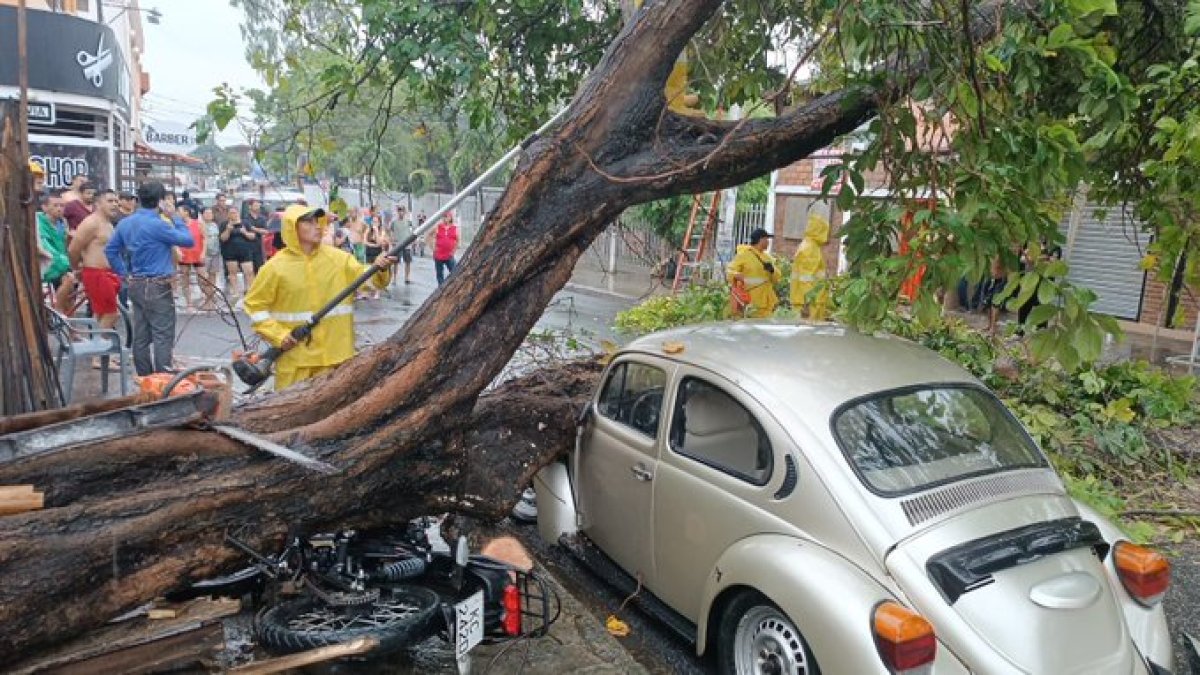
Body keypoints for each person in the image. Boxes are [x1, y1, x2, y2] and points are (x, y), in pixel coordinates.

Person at [243, 205, 396, 390]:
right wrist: (279, 335)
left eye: (318, 221)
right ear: (293, 227)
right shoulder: (274, 268)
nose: (317, 226)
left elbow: (371, 282)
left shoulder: (339, 260)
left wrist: (380, 268)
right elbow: (254, 307)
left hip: (336, 359)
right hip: (296, 362)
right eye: (309, 222)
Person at [105, 181, 195, 376]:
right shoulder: (158, 224)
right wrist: (175, 217)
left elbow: (111, 250)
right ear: (161, 201)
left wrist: (123, 273)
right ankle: (162, 379)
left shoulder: (125, 222)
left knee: (142, 334)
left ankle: (145, 378)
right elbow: (188, 240)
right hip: (157, 284)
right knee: (163, 334)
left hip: (136, 282)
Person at [68, 190, 123, 334]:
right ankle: (98, 352)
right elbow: (74, 248)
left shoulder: (108, 224)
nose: (115, 204)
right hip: (96, 273)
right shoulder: (91, 223)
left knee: (101, 313)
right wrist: (76, 268)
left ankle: (100, 354)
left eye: (116, 201)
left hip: (108, 273)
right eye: (110, 201)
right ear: (98, 203)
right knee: (112, 313)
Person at [727, 228, 782, 318]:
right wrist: (736, 275)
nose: (768, 242)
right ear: (760, 240)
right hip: (751, 300)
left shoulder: (767, 257)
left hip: (767, 301)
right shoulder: (744, 255)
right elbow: (729, 271)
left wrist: (772, 270)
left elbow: (777, 279)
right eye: (766, 239)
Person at [37, 191, 75, 315]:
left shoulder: (62, 223)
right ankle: (57, 313)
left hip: (61, 261)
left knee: (71, 301)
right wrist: (65, 262)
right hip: (47, 262)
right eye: (55, 205)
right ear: (45, 207)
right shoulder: (40, 222)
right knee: (68, 279)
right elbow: (45, 247)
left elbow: (64, 246)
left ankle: (71, 331)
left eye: (62, 206)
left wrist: (69, 239)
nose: (59, 209)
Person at [789, 214, 831, 320]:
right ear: (819, 230)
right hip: (811, 303)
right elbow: (806, 279)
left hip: (811, 300)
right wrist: (807, 301)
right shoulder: (810, 249)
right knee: (810, 333)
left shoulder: (810, 246)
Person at [219, 207, 257, 299]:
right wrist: (228, 230)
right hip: (230, 252)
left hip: (245, 251)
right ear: (228, 214)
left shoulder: (245, 223)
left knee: (249, 272)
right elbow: (223, 238)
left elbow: (253, 236)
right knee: (232, 273)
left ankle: (249, 291)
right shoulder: (224, 224)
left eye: (235, 213)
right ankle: (235, 292)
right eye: (231, 213)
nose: (233, 215)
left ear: (238, 213)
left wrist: (245, 232)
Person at [175, 205, 207, 312]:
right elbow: (174, 239)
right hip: (184, 254)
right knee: (185, 278)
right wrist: (177, 250)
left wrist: (203, 252)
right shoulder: (177, 225)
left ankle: (206, 298)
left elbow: (205, 238)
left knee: (202, 277)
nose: (177, 213)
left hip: (197, 253)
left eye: (179, 211)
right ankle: (189, 302)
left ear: (186, 212)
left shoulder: (198, 223)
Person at [200, 207, 222, 311]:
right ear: (202, 214)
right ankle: (207, 299)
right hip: (205, 254)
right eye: (206, 213)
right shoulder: (200, 225)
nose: (209, 215)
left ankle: (211, 298)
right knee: (204, 278)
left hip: (215, 254)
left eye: (210, 213)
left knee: (213, 276)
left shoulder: (215, 225)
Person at [243, 198, 270, 271]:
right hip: (248, 247)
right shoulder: (245, 218)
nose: (257, 207)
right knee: (250, 270)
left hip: (259, 247)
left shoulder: (262, 218)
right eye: (255, 205)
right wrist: (259, 230)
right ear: (250, 206)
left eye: (258, 205)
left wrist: (254, 229)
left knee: (260, 269)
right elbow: (246, 230)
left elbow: (266, 231)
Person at [433, 212, 459, 286]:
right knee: (439, 274)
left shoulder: (454, 228)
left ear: (451, 218)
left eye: (447, 216)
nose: (445, 218)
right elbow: (429, 235)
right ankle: (440, 289)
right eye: (444, 217)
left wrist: (453, 251)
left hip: (449, 255)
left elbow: (458, 240)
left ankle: (452, 287)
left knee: (454, 272)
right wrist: (433, 247)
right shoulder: (438, 227)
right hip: (438, 255)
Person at [390, 206, 414, 284]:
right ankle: (394, 278)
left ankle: (407, 278)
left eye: (402, 211)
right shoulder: (394, 222)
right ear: (397, 212)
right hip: (397, 244)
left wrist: (412, 241)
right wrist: (392, 240)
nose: (401, 212)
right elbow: (391, 231)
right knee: (395, 262)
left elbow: (412, 231)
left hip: (407, 244)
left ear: (404, 212)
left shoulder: (408, 222)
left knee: (408, 262)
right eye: (399, 211)